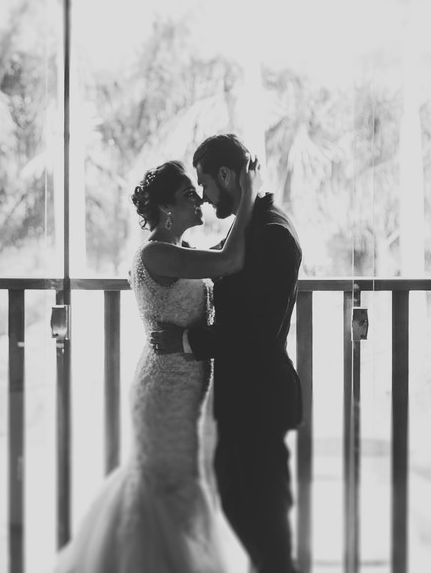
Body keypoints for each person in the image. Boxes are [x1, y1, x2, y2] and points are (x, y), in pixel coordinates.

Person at [54, 157, 258, 573]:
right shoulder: (156, 255)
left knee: (179, 493)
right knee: (168, 494)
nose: (199, 198)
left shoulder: (179, 250)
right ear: (166, 208)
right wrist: (250, 192)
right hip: (166, 393)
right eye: (188, 194)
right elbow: (228, 261)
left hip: (184, 387)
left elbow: (222, 254)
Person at [151, 134, 303, 573]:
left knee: (265, 525)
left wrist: (185, 342)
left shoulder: (272, 234)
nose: (202, 194)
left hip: (260, 396)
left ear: (225, 176)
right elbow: (221, 261)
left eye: (204, 182)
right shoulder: (254, 227)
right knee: (244, 508)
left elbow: (253, 332)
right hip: (243, 397)